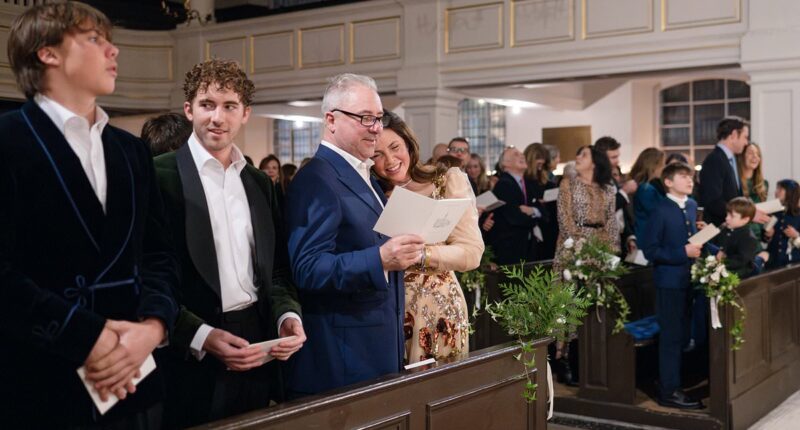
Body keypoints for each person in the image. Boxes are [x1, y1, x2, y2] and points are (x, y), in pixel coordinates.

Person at [0, 3, 179, 427]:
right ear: (48, 53)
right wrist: (86, 335)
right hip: (38, 382)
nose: (113, 51)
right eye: (95, 40)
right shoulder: (8, 142)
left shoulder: (130, 149)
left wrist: (153, 328)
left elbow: (158, 255)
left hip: (130, 381)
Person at [153, 59, 305, 428]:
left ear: (245, 114)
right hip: (191, 348)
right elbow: (147, 274)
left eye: (229, 106)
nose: (217, 117)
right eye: (207, 105)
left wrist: (287, 316)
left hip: (257, 340)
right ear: (189, 110)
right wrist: (200, 336)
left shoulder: (258, 182)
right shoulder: (158, 174)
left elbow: (277, 270)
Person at [284, 73, 424, 397]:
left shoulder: (363, 174)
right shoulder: (316, 179)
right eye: (364, 118)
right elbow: (308, 268)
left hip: (377, 340)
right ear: (331, 120)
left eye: (377, 118)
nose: (375, 127)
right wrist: (380, 258)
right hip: (344, 353)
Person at [371, 110, 483, 363]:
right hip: (387, 310)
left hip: (440, 307)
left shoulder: (445, 180)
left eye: (395, 147)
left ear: (409, 144)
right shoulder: (371, 194)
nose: (390, 160)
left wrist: (423, 254)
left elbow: (472, 252)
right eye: (377, 154)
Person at [640, 162, 704, 409]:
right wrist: (683, 251)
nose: (690, 181)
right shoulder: (660, 209)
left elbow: (689, 239)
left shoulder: (689, 205)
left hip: (688, 280)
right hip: (668, 282)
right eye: (683, 176)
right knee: (671, 337)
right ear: (668, 182)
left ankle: (674, 381)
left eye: (691, 177)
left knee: (683, 336)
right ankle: (669, 392)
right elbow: (651, 251)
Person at [698, 117, 768, 227]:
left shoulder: (730, 159)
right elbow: (712, 201)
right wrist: (745, 214)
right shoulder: (714, 160)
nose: (746, 143)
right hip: (719, 231)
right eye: (745, 137)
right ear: (734, 135)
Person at [486, 147, 542, 265]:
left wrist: (533, 211)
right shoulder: (503, 185)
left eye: (521, 154)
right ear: (505, 163)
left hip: (527, 247)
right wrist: (536, 218)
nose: (522, 156)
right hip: (510, 250)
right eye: (516, 154)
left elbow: (543, 211)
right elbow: (515, 218)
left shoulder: (528, 183)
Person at [595, 136, 636, 256]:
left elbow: (621, 213)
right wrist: (624, 192)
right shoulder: (593, 180)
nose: (617, 161)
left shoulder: (611, 177)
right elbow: (602, 210)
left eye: (617, 156)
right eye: (613, 157)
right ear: (601, 158)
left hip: (619, 240)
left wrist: (629, 236)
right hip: (602, 243)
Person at [710, 198, 768, 278]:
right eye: (727, 214)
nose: (727, 218)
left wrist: (722, 262)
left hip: (739, 277)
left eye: (732, 216)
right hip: (720, 270)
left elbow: (741, 261)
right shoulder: (725, 228)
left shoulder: (748, 238)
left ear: (745, 219)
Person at [524, 143, 558, 261]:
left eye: (542, 164)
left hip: (550, 229)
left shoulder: (549, 183)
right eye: (538, 163)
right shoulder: (524, 181)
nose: (540, 167)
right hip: (532, 231)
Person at [630, 147, 666, 242]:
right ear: (653, 166)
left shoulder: (647, 187)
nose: (664, 168)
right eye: (662, 164)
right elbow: (658, 214)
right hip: (648, 237)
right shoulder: (646, 189)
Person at [765, 180, 800, 270]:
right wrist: (768, 235)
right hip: (772, 262)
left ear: (790, 192)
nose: (776, 192)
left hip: (793, 263)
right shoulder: (773, 211)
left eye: (780, 189)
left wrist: (796, 236)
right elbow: (764, 238)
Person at [737, 142, 768, 242]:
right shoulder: (735, 182)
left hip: (757, 236)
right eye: (751, 153)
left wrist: (768, 230)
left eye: (758, 154)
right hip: (740, 234)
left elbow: (763, 213)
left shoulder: (764, 184)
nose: (755, 157)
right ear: (742, 157)